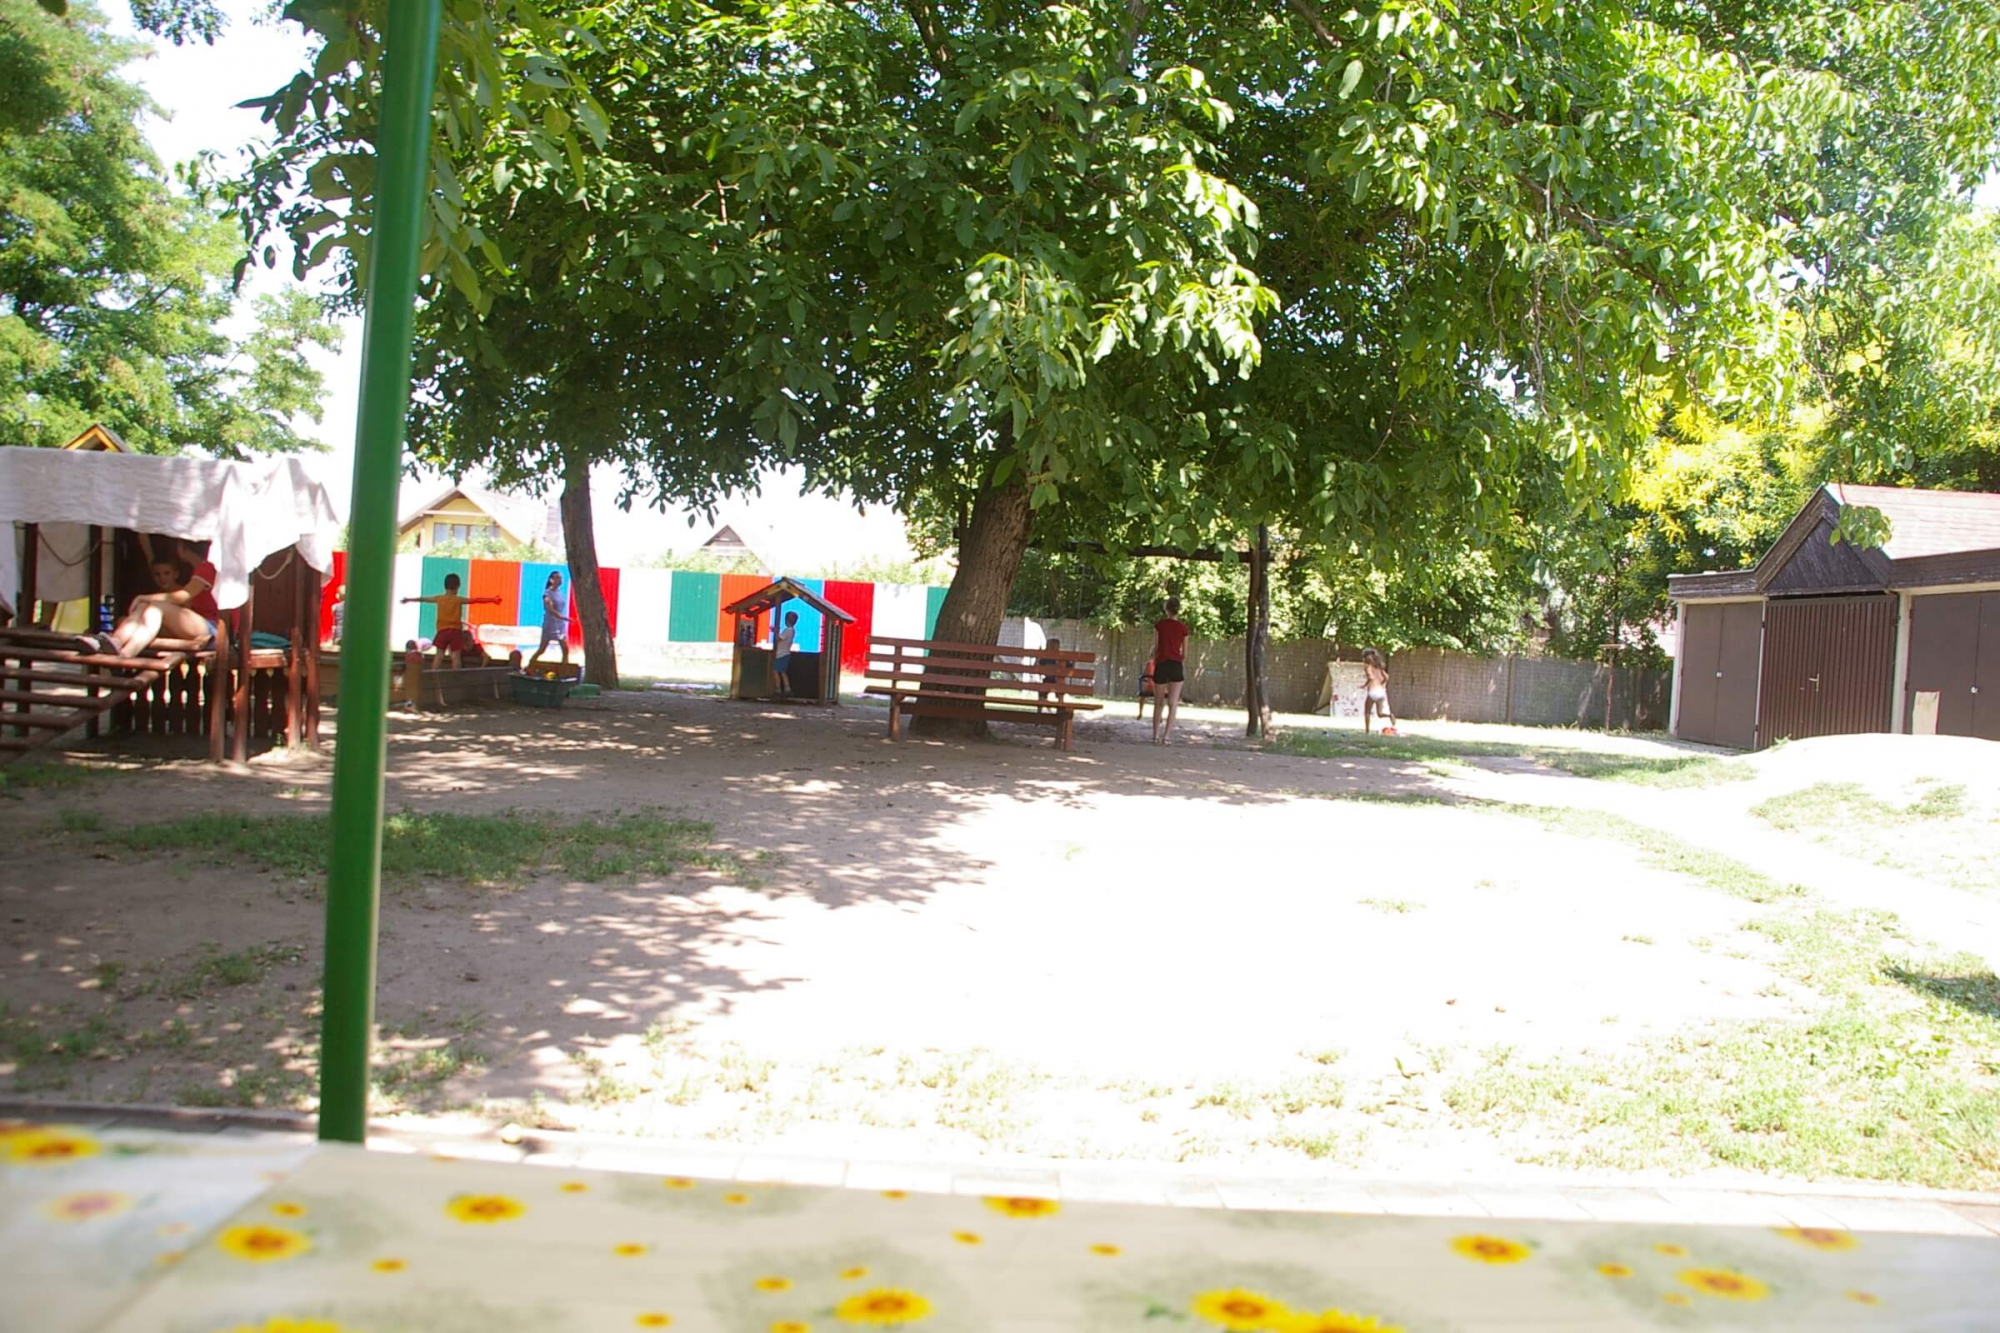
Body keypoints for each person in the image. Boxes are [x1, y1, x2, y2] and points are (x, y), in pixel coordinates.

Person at [78, 538, 218, 659]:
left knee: (156, 607)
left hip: (212, 629)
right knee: (143, 608)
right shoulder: (198, 568)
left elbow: (182, 596)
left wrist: (144, 597)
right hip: (197, 626)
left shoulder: (207, 567)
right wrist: (145, 601)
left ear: (182, 547)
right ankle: (115, 642)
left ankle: (124, 655)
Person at [402, 573, 500, 667]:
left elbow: (423, 599)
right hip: (455, 631)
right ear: (458, 586)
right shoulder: (458, 600)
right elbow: (475, 600)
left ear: (445, 586)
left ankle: (433, 674)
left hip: (442, 630)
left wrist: (408, 599)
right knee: (456, 656)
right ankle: (456, 675)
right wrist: (492, 600)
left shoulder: (439, 598)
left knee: (439, 656)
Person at [1150, 597, 1190, 744]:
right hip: (1176, 665)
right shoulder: (1183, 628)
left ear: (1166, 609)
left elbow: (1156, 648)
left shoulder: (1159, 626)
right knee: (1173, 703)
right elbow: (1185, 653)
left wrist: (1155, 657)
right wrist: (1178, 660)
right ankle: (1166, 737)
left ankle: (1155, 736)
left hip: (1162, 664)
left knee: (1158, 702)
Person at [526, 571, 568, 672]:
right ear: (551, 580)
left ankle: (564, 670)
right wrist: (563, 617)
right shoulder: (547, 593)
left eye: (560, 578)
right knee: (542, 649)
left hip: (560, 624)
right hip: (551, 624)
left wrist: (562, 619)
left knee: (565, 649)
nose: (560, 580)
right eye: (557, 578)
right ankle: (530, 665)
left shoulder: (559, 593)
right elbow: (549, 608)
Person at [1362, 647, 1399, 735]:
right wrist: (1382, 684)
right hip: (1381, 691)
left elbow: (1371, 677)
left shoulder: (1368, 667)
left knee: (1367, 712)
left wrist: (1364, 685)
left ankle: (1367, 731)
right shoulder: (1379, 667)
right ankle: (1390, 715)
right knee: (1380, 713)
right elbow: (1386, 677)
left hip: (1373, 691)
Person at [771, 610, 798, 697]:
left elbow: (779, 638)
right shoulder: (792, 630)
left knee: (775, 671)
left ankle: (778, 689)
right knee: (782, 672)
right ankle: (786, 689)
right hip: (785, 653)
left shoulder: (788, 630)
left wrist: (775, 631)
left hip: (781, 653)